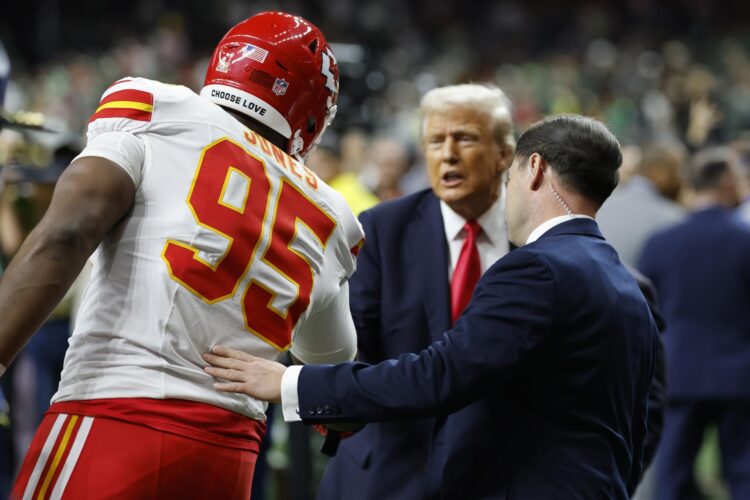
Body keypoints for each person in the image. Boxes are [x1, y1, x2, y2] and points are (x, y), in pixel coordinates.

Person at [0, 11, 363, 499]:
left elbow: (68, 233)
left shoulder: (159, 108)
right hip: (228, 459)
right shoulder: (332, 211)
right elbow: (332, 362)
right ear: (312, 115)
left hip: (115, 418)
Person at [204, 114, 661, 499]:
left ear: (535, 169)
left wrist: (292, 382)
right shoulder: (628, 285)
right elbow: (640, 424)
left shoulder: (537, 269)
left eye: (511, 177)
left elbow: (437, 375)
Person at [315, 83, 514, 499]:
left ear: (504, 154)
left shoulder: (533, 240)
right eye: (435, 141)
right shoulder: (383, 229)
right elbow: (353, 348)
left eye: (465, 138)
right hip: (386, 473)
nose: (448, 154)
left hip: (499, 476)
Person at [638, 147, 750, 500]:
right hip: (739, 377)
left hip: (678, 373)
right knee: (744, 476)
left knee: (671, 475)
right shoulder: (745, 240)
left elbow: (642, 312)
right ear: (728, 184)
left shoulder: (660, 243)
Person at [596, 144, 686, 266]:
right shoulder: (673, 218)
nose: (681, 179)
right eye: (677, 171)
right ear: (658, 172)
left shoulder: (600, 207)